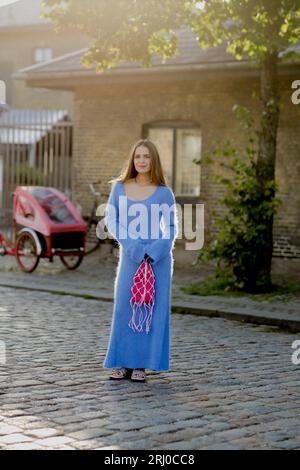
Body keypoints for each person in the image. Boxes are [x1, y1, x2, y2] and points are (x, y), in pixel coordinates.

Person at [102, 138, 178, 382]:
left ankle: (141, 365)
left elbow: (171, 227)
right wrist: (132, 245)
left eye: (146, 157)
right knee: (126, 307)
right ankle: (122, 362)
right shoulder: (120, 188)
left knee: (150, 310)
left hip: (157, 260)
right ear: (132, 160)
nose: (142, 161)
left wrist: (156, 250)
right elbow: (112, 220)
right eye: (138, 156)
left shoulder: (165, 193)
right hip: (131, 256)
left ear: (153, 160)